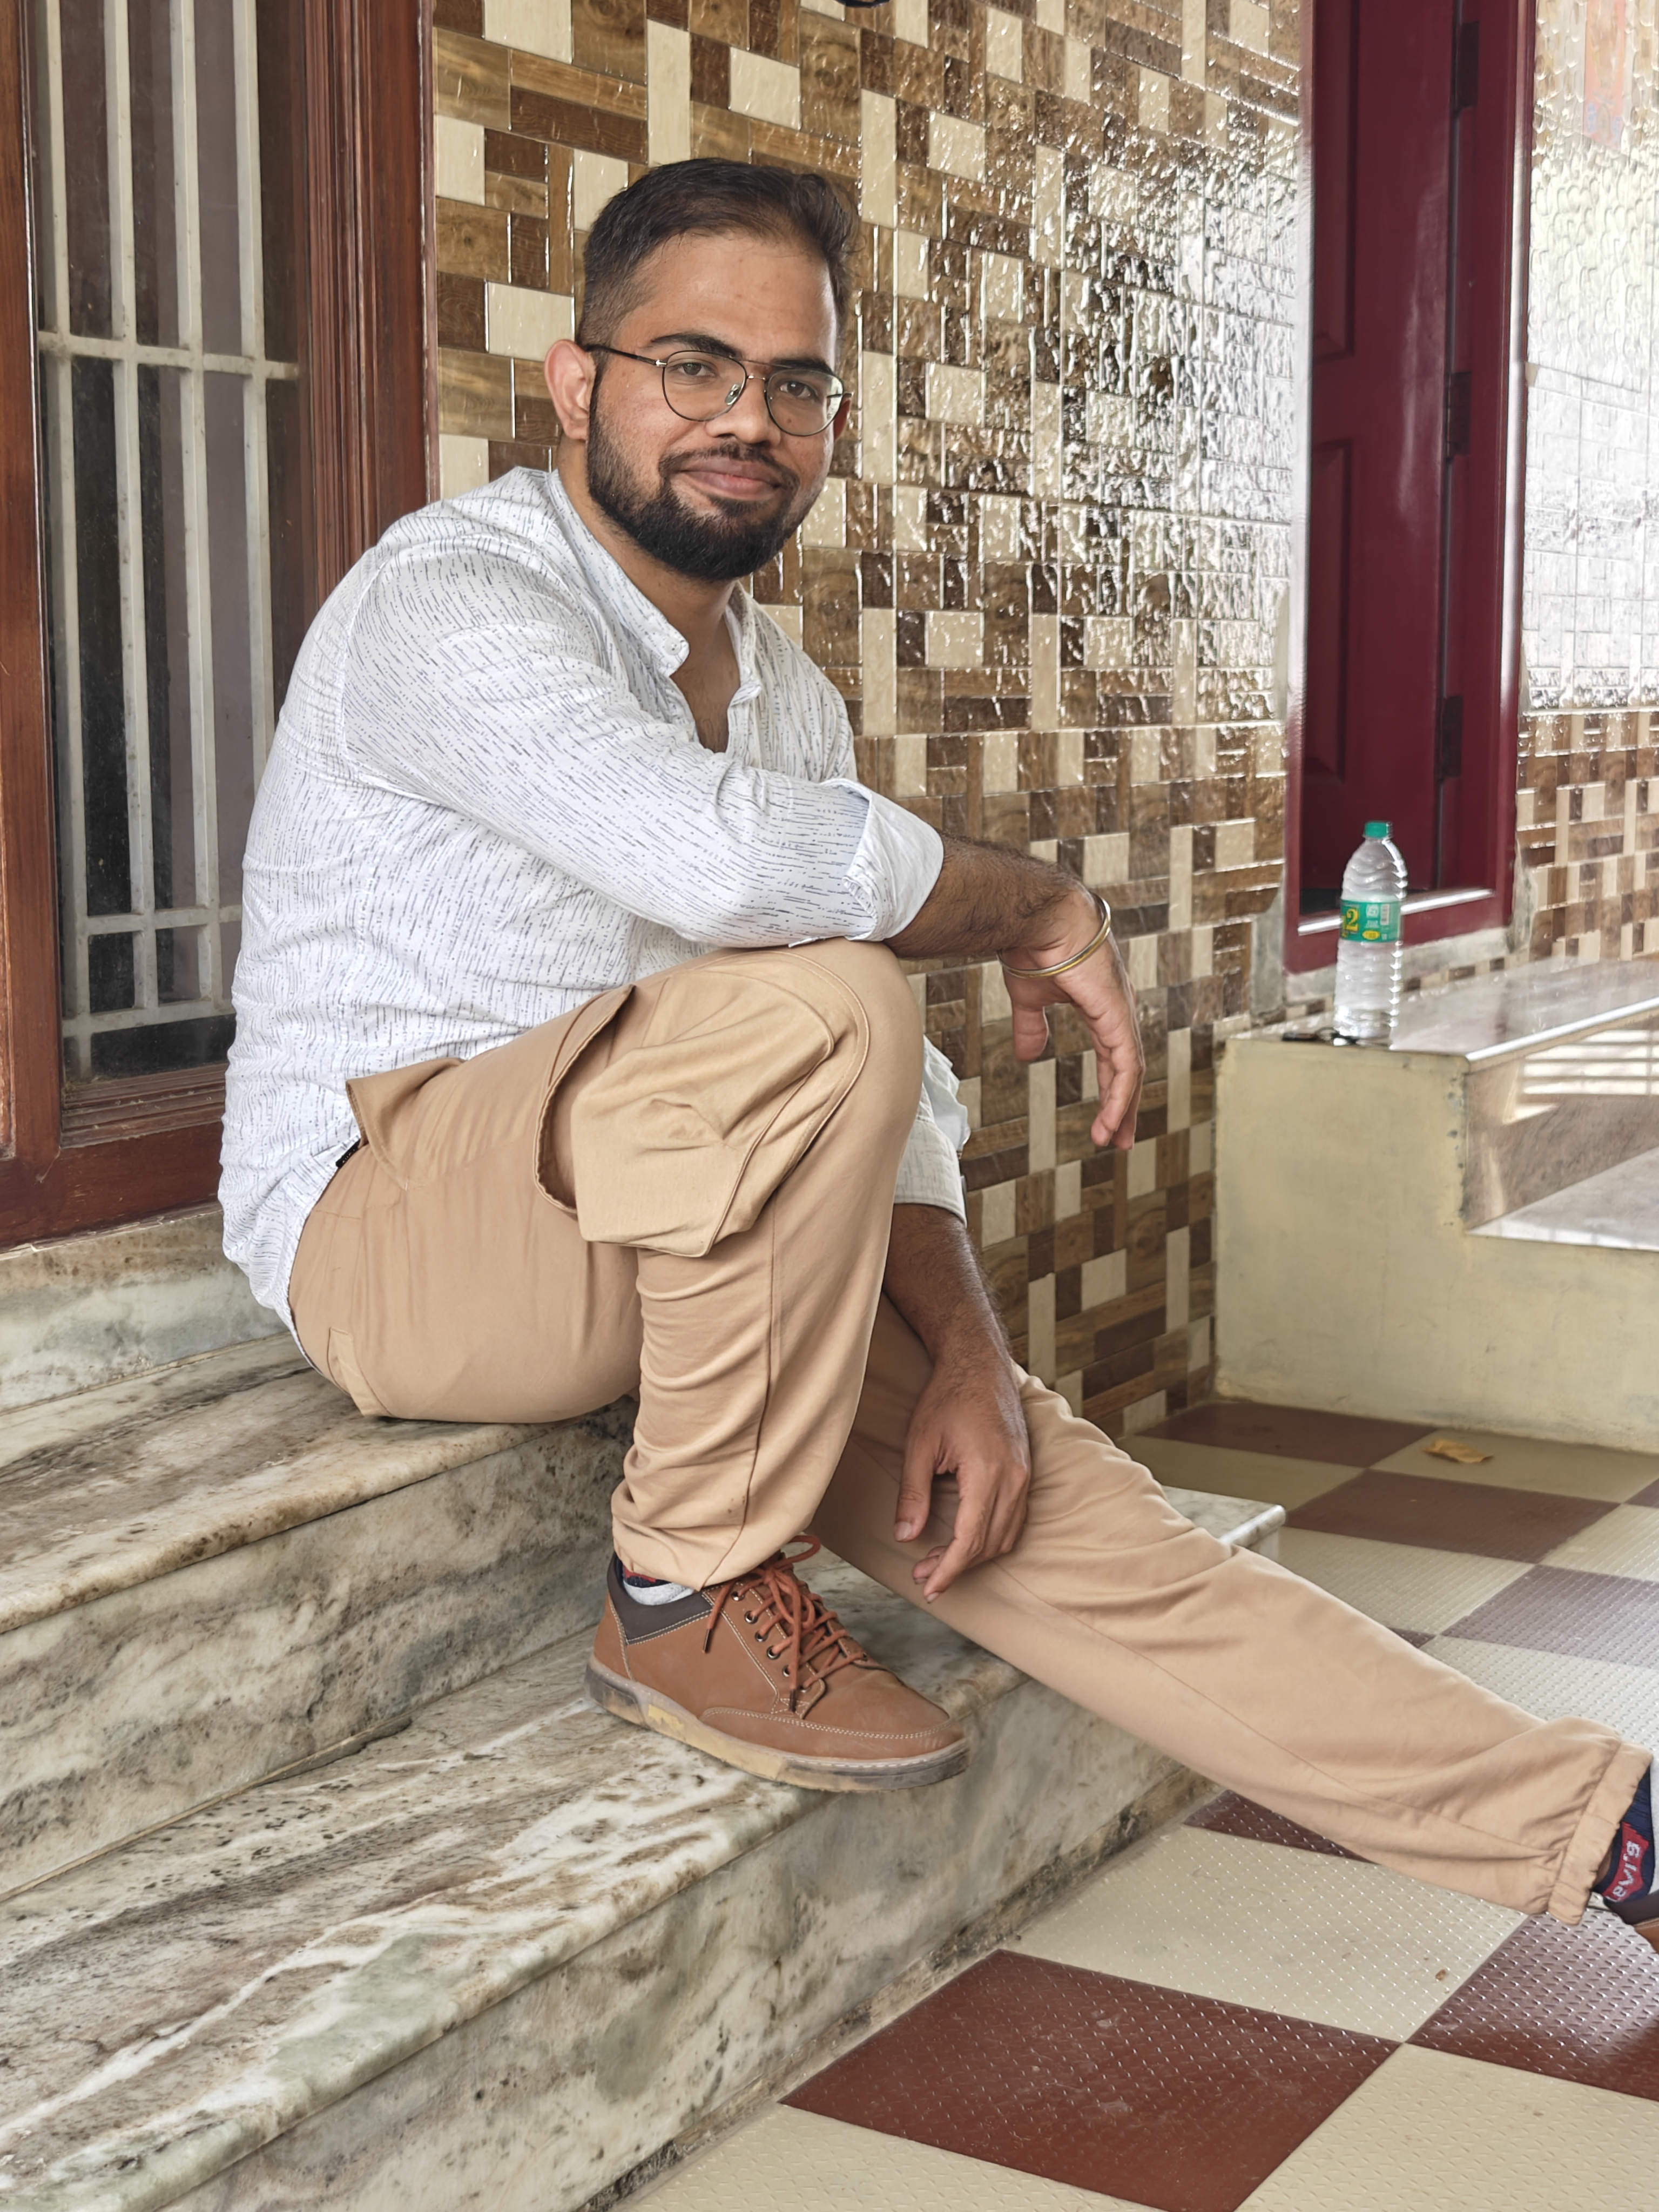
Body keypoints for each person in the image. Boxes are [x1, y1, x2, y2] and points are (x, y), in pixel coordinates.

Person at [221, 158, 1658, 1943]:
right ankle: (682, 1593)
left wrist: (969, 1351)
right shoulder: (450, 599)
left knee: (1057, 1507)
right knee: (837, 989)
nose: (748, 422)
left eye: (796, 383)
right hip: (400, 1232)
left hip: (682, 1241)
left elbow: (868, 1107)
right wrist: (1033, 905)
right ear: (576, 383)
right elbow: (729, 884)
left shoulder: (786, 693)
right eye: (694, 366)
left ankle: (1605, 1837)